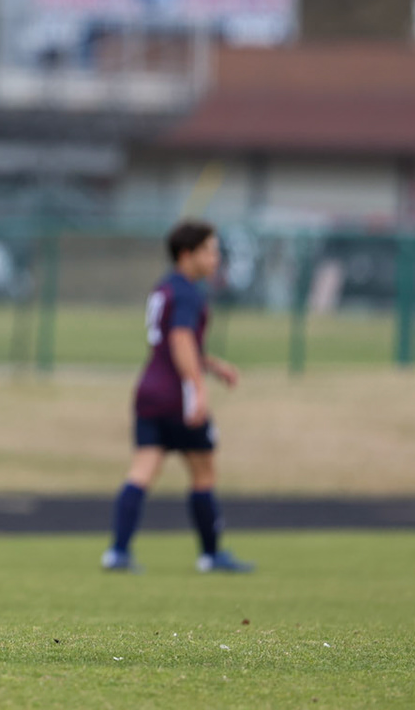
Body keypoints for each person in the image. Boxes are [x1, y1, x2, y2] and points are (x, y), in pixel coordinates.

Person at [103, 218, 255, 574]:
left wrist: (212, 365)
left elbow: (169, 343)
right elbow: (180, 341)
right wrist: (198, 388)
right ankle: (211, 555)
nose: (215, 258)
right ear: (187, 254)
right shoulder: (188, 292)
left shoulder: (165, 288)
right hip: (175, 395)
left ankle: (118, 552)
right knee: (203, 472)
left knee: (142, 470)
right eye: (209, 250)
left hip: (149, 391)